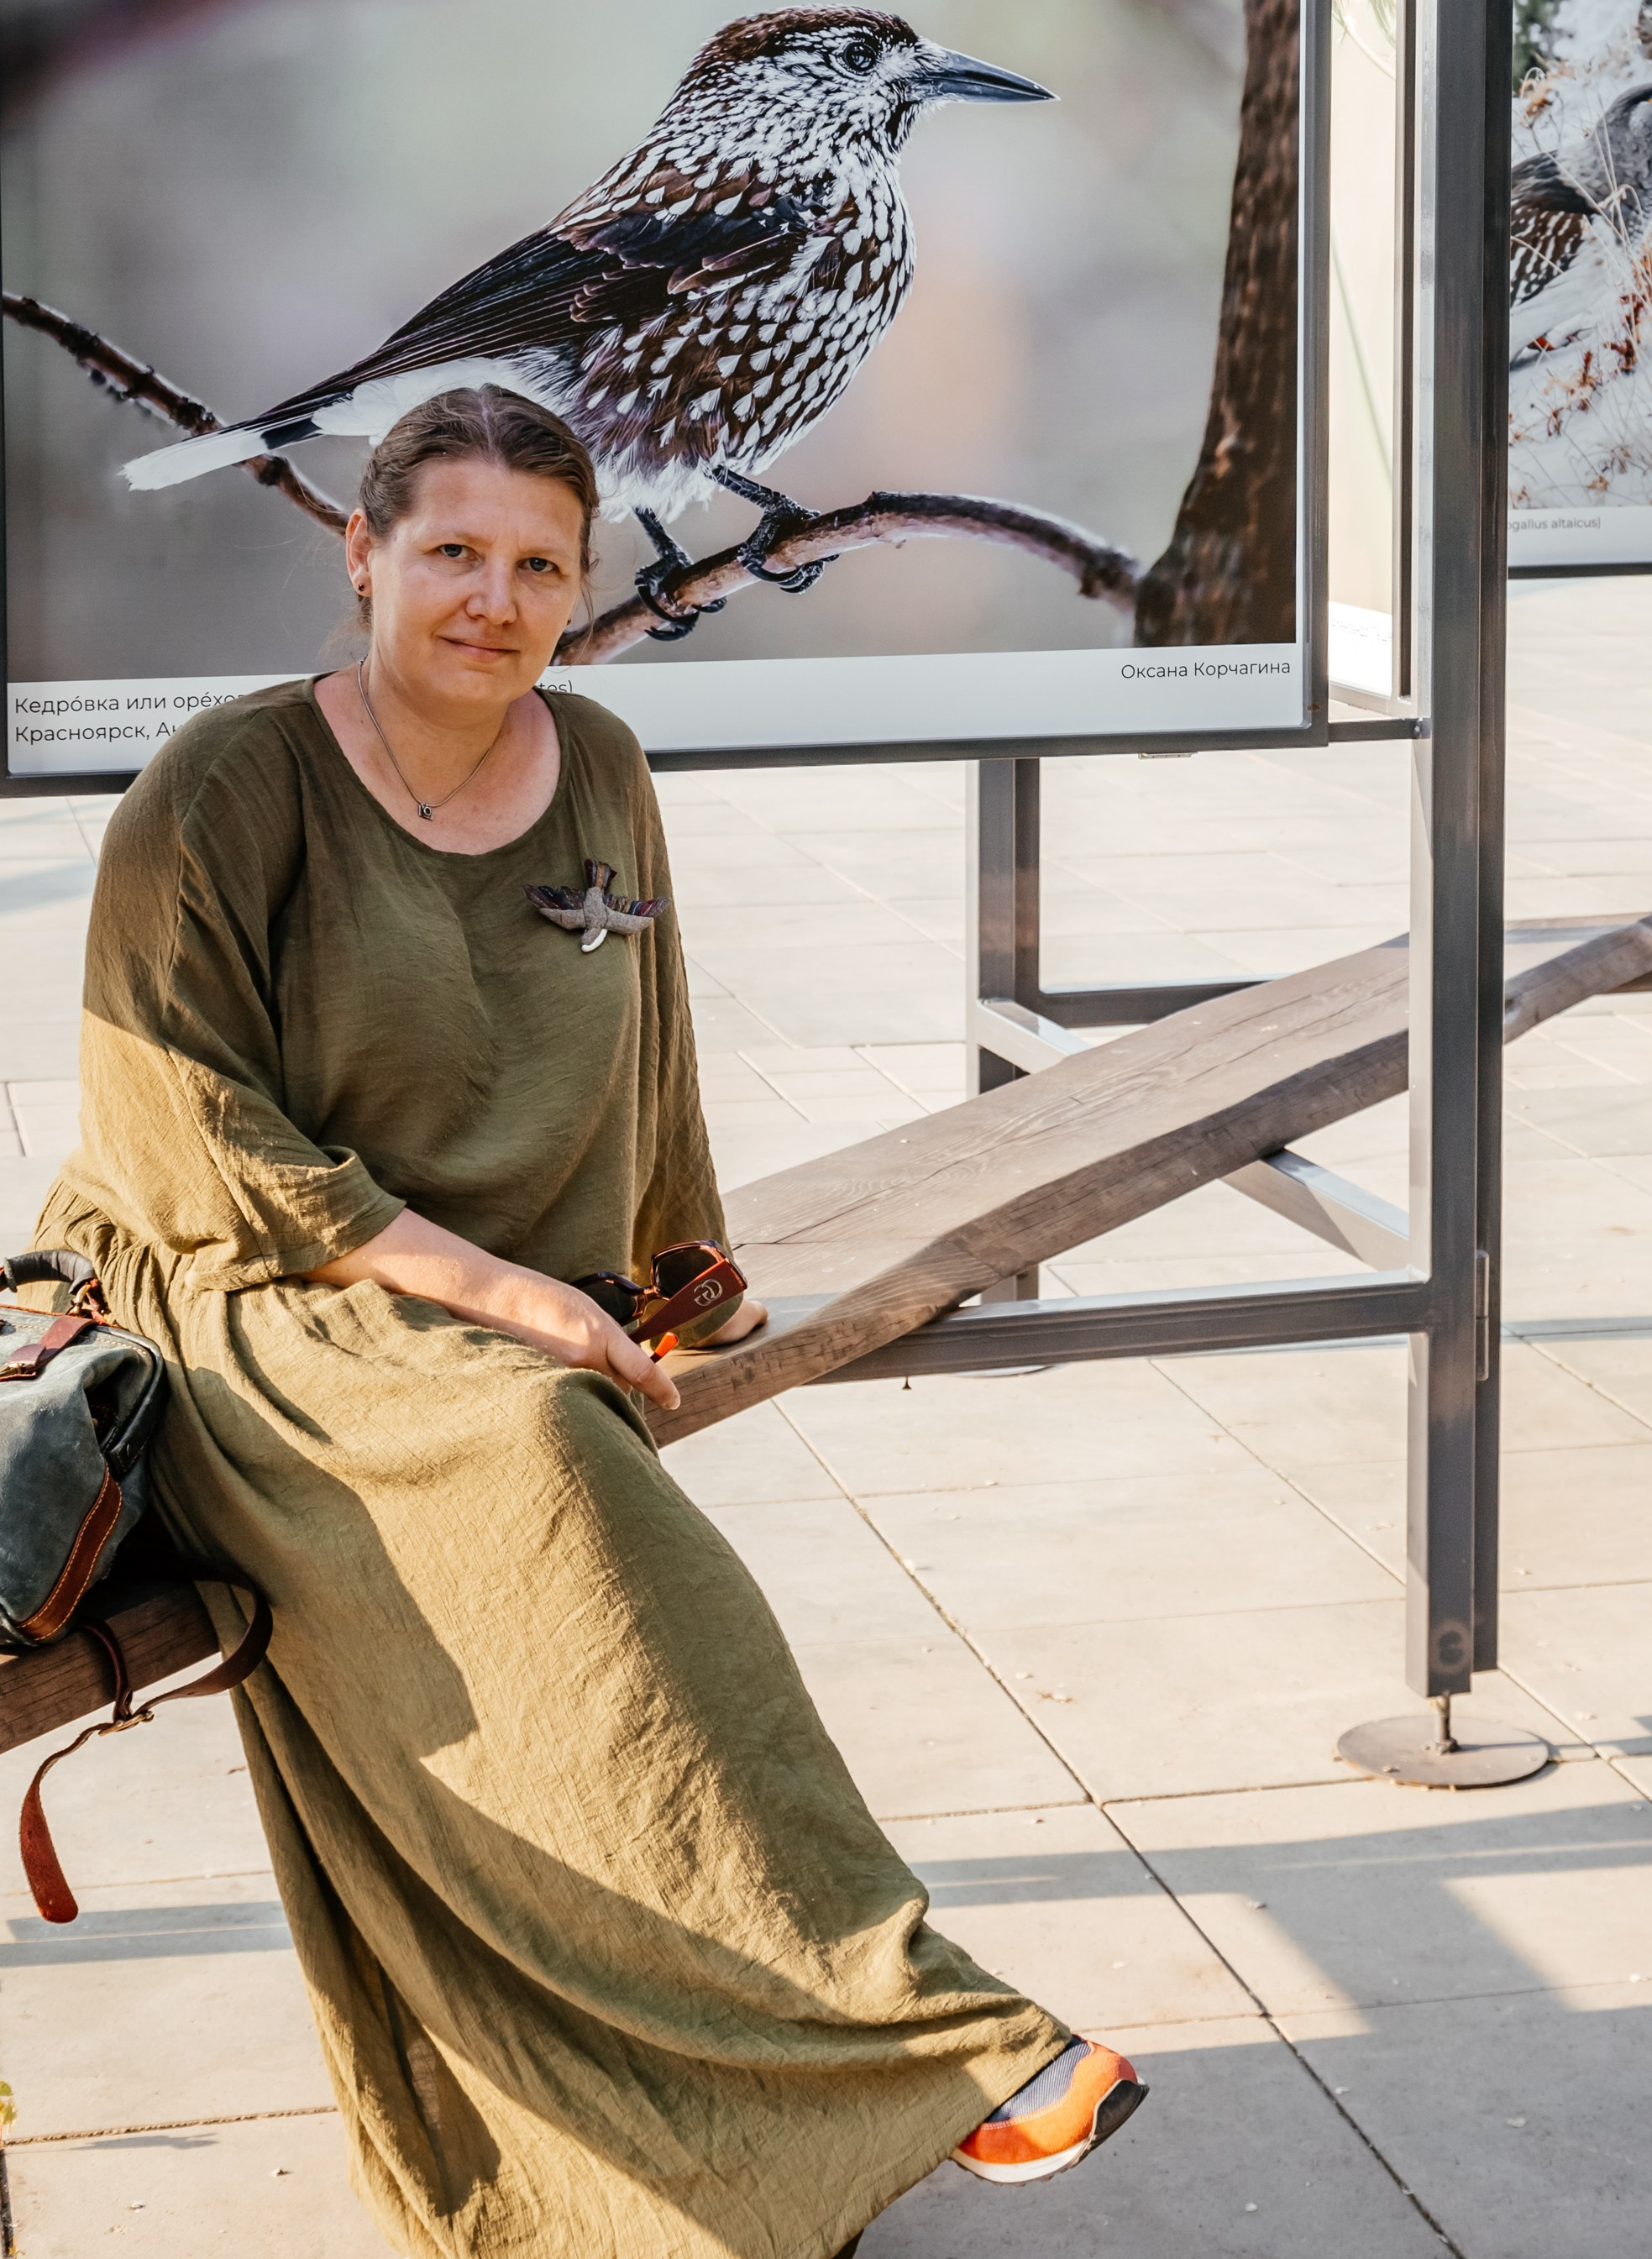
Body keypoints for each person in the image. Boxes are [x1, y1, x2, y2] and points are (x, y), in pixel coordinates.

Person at [34, 385, 1145, 2259]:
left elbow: (654, 1047)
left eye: (541, 561)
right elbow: (186, 1130)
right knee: (545, 1456)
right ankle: (924, 2031)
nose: (496, 595)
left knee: (567, 1491)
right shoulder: (224, 787)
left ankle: (721, 2117)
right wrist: (490, 1293)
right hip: (246, 1283)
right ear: (363, 552)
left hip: (497, 1298)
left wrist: (681, 1269)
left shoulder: (604, 759)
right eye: (453, 549)